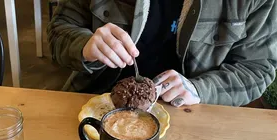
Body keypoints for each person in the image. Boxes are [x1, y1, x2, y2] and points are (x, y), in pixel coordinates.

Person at [47, 0, 277, 107]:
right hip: (97, 103)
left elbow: (256, 69)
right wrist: (86, 45)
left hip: (191, 114)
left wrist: (201, 89)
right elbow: (59, 30)